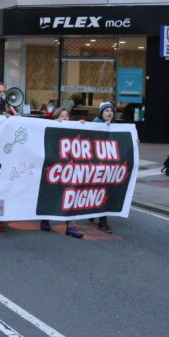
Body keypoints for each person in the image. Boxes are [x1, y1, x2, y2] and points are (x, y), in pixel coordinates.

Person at [38, 108, 85, 239]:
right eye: (62, 116)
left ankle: (71, 226)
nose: (65, 118)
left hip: (69, 168)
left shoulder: (74, 129)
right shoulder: (50, 128)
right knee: (52, 193)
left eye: (67, 116)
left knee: (70, 194)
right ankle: (45, 218)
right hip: (53, 167)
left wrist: (82, 125)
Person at [90, 102, 116, 233]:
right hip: (96, 166)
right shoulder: (95, 125)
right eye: (106, 111)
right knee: (99, 191)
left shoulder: (115, 127)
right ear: (101, 113)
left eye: (111, 111)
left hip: (107, 166)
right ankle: (102, 221)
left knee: (102, 191)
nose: (109, 113)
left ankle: (96, 215)